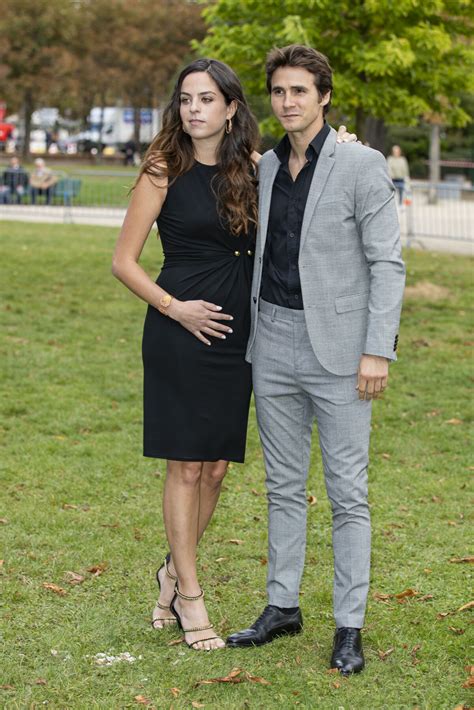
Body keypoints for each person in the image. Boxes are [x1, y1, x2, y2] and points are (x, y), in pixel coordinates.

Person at [112, 57, 355, 653]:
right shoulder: (161, 169)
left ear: (230, 108)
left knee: (216, 468)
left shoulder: (255, 168)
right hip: (179, 332)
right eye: (185, 99)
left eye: (205, 99)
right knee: (185, 466)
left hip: (240, 337)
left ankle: (171, 570)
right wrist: (176, 308)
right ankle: (191, 597)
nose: (193, 109)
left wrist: (344, 144)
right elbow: (122, 262)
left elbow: (312, 168)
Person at [226, 45, 406, 677]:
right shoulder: (266, 165)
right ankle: (282, 606)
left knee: (347, 493)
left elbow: (387, 263)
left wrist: (376, 350)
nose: (289, 102)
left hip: (341, 351)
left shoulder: (363, 164)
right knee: (281, 485)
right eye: (279, 92)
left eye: (300, 91)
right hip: (271, 341)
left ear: (324, 96)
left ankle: (348, 626)